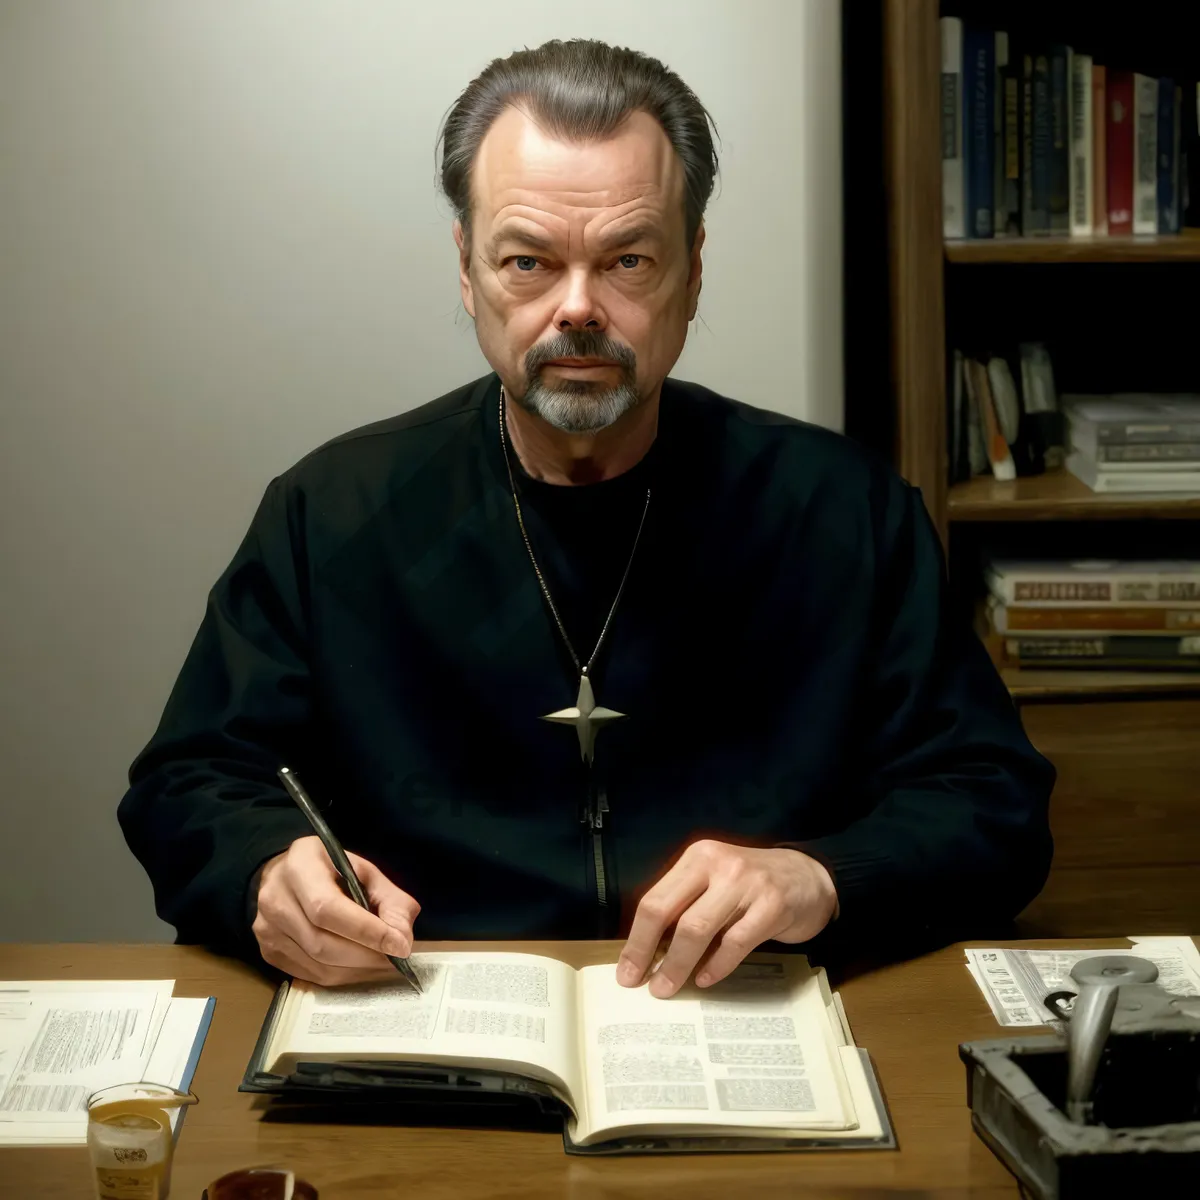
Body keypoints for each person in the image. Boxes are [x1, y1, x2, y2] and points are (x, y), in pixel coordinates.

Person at [119, 38, 1054, 1000]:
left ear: (693, 270)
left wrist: (820, 877)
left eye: (628, 260)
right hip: (422, 1014)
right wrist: (267, 871)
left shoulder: (847, 512)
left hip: (749, 1015)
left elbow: (996, 806)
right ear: (467, 269)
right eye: (529, 261)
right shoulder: (331, 513)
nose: (578, 308)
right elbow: (188, 785)